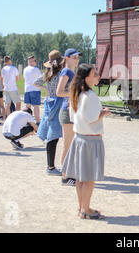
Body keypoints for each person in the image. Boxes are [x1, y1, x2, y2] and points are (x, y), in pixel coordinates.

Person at [61, 64, 110, 219]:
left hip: (79, 139)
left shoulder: (76, 94)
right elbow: (92, 118)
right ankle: (86, 209)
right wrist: (104, 113)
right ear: (87, 78)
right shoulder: (91, 96)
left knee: (80, 178)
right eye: (95, 74)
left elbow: (74, 117)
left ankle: (82, 207)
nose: (98, 76)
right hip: (91, 140)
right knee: (88, 178)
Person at [34, 50, 65, 176]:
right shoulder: (61, 74)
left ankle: (50, 165)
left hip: (49, 102)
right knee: (54, 136)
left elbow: (35, 83)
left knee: (52, 136)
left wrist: (46, 88)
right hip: (59, 103)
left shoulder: (47, 74)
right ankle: (51, 167)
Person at [57, 48, 81, 186]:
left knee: (71, 144)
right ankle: (65, 176)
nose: (77, 59)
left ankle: (69, 173)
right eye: (74, 57)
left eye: (78, 57)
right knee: (67, 145)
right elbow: (59, 92)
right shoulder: (66, 71)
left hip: (71, 110)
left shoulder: (72, 72)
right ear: (66, 58)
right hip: (66, 111)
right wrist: (74, 92)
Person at [23, 55, 42, 122]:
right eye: (34, 60)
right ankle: (38, 122)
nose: (35, 62)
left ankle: (28, 121)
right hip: (35, 89)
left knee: (28, 107)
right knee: (36, 106)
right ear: (32, 61)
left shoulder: (25, 69)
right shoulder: (36, 69)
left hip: (27, 89)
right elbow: (40, 79)